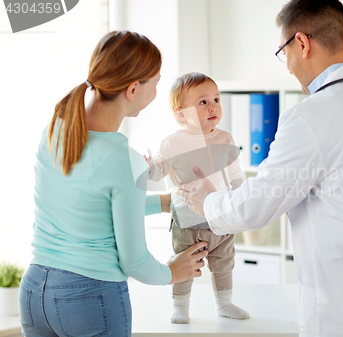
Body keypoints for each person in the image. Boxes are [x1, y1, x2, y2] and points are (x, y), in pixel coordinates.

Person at [178, 0, 343, 336]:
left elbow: (255, 208)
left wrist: (207, 202)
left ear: (302, 43)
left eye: (283, 52)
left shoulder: (312, 116)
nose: (286, 66)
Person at [19, 31, 208, 337]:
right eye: (156, 83)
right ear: (133, 89)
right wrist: (172, 272)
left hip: (34, 294)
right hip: (89, 299)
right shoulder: (123, 158)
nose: (158, 91)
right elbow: (134, 261)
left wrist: (163, 203)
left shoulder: (55, 130)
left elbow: (90, 207)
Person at [146, 72, 249, 324]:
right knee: (185, 266)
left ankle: (224, 303)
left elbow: (236, 172)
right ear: (181, 114)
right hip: (187, 220)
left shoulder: (225, 138)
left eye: (216, 99)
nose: (213, 106)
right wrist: (148, 167)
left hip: (221, 217)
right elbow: (156, 173)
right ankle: (180, 306)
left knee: (223, 263)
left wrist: (239, 194)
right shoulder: (172, 143)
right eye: (203, 102)